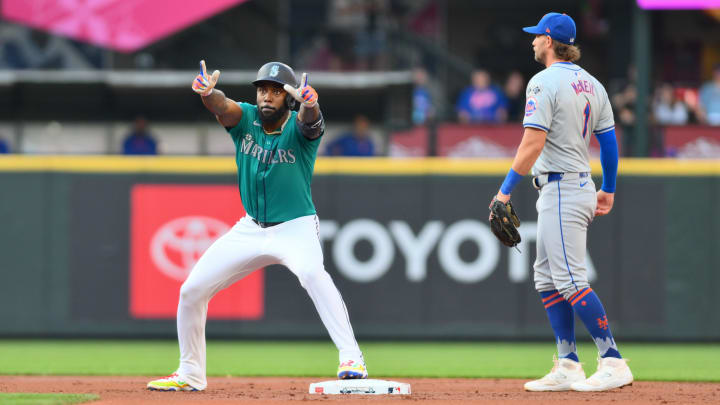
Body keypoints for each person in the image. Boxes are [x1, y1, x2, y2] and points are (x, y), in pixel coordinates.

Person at [146, 61, 368, 392]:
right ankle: (190, 373)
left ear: (289, 98)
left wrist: (311, 103)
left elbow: (312, 122)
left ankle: (352, 358)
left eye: (276, 91)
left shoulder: (300, 128)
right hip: (250, 228)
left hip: (295, 226)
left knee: (311, 273)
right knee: (191, 291)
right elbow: (222, 106)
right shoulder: (246, 118)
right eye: (263, 89)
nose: (266, 96)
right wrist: (208, 94)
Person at [490, 13, 633, 392]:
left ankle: (613, 360)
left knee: (570, 280)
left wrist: (504, 189)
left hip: (561, 189)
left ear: (550, 40)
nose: (533, 41)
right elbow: (609, 143)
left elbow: (533, 143)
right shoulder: (593, 84)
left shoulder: (543, 81)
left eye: (537, 35)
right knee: (546, 278)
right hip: (577, 186)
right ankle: (569, 363)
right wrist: (610, 188)